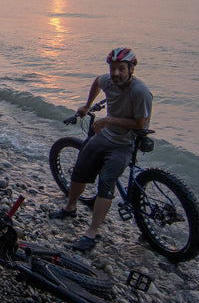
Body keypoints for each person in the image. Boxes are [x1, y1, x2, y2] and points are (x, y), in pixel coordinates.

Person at [49, 48, 152, 252]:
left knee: (106, 183)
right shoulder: (108, 81)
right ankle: (70, 208)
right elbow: (97, 81)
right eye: (113, 68)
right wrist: (87, 106)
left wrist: (109, 120)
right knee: (79, 170)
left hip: (125, 144)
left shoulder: (140, 92)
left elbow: (141, 124)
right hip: (105, 136)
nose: (115, 74)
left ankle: (91, 233)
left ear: (131, 69)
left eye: (121, 69)